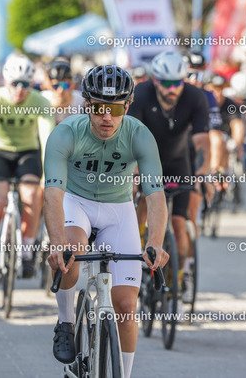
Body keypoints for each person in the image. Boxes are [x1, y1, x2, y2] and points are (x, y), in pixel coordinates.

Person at [45, 65, 169, 378]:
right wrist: (58, 244)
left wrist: (155, 242)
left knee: (126, 306)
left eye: (115, 109)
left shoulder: (139, 135)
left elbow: (155, 196)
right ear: (86, 104)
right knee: (72, 250)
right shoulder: (66, 133)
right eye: (99, 108)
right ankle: (65, 322)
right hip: (76, 202)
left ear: (127, 106)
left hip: (119, 210)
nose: (106, 118)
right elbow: (53, 195)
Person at [128, 50, 211, 299]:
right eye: (166, 83)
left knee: (179, 223)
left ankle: (177, 279)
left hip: (178, 163)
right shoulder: (141, 94)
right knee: (144, 201)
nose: (173, 89)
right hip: (147, 160)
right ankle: (138, 253)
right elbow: (131, 137)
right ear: (155, 80)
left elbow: (202, 141)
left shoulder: (195, 97)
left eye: (178, 82)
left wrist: (202, 174)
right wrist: (134, 175)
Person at [0, 54, 55, 277]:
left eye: (26, 84)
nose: (20, 89)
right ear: (5, 81)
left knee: (32, 196)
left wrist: (48, 177)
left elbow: (47, 141)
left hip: (27, 152)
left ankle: (27, 252)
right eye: (15, 84)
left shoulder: (40, 102)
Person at [40, 59, 84, 125]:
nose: (60, 90)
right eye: (56, 86)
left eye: (65, 85)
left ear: (72, 84)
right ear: (50, 86)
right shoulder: (43, 99)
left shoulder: (82, 101)